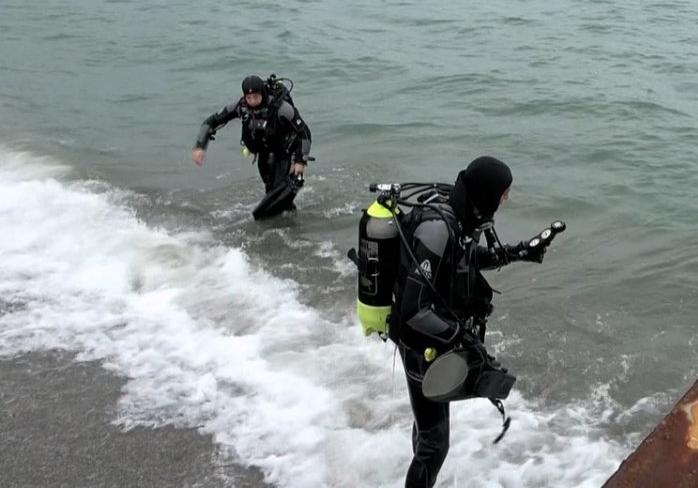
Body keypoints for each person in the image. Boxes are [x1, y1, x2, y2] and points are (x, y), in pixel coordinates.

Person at [360, 156, 560, 488]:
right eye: (503, 194)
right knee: (435, 445)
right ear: (487, 192)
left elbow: (462, 263)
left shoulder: (464, 216)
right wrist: (462, 338)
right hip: (418, 342)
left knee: (428, 433)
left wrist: (518, 252)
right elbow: (413, 310)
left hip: (434, 338)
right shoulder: (439, 228)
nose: (505, 200)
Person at [191, 75, 312, 207]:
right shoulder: (240, 107)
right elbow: (211, 122)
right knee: (269, 187)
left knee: (277, 190)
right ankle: (281, 218)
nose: (252, 101)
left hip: (284, 150)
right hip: (263, 153)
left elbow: (304, 132)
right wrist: (200, 146)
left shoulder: (280, 108)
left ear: (263, 94)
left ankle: (286, 213)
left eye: (256, 97)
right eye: (249, 98)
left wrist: (301, 161)